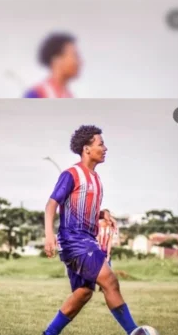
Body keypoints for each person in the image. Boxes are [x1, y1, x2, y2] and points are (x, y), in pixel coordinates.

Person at [43, 125, 138, 335]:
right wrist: (49, 235)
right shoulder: (71, 174)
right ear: (87, 148)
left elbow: (81, 210)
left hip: (87, 240)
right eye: (101, 144)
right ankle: (136, 333)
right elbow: (51, 205)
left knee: (83, 293)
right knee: (110, 281)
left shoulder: (96, 179)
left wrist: (101, 213)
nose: (105, 148)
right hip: (75, 241)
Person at [23, 32, 81, 98]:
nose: (79, 62)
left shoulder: (69, 97)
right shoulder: (37, 94)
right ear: (57, 60)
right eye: (75, 56)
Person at [97, 217, 114, 292]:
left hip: (105, 251)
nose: (111, 222)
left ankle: (103, 287)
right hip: (98, 250)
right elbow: (96, 239)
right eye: (110, 220)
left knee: (108, 269)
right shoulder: (98, 227)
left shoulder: (110, 229)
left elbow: (110, 242)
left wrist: (108, 254)